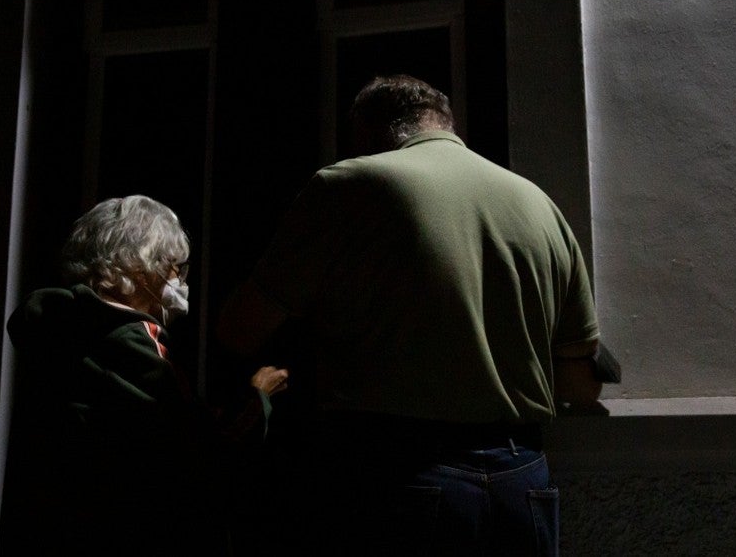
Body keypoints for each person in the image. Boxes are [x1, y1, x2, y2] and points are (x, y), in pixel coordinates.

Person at [217, 75, 602, 556]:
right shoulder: (538, 203)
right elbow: (578, 384)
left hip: (403, 472)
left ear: (368, 136)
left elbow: (240, 329)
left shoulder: (350, 184)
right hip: (522, 476)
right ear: (446, 124)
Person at [0, 195, 289, 555]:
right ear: (138, 267)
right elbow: (208, 464)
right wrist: (258, 399)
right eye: (174, 267)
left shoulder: (58, 329)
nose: (179, 280)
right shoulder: (134, 341)